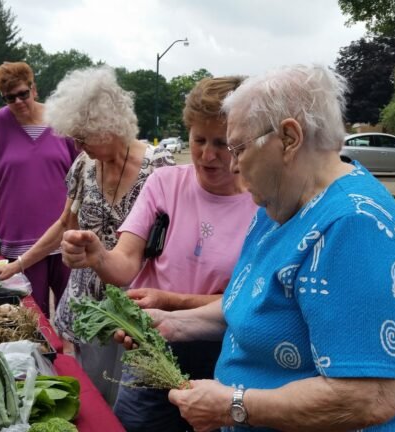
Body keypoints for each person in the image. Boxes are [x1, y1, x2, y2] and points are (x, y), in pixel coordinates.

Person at [114, 65, 395, 431]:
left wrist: (234, 406)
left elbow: (369, 396)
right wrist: (173, 324)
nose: (233, 165)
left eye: (238, 148)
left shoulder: (356, 227)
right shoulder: (279, 205)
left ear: (289, 138)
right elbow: (253, 304)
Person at [61, 76, 257, 431]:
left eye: (222, 143)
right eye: (198, 140)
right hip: (153, 345)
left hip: (224, 352)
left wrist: (171, 301)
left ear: (244, 140)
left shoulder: (263, 203)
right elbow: (125, 264)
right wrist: (98, 256)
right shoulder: (165, 183)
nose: (207, 155)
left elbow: (248, 302)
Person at [0, 65, 174, 404]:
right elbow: (64, 224)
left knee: (135, 403)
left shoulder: (159, 166)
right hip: (89, 309)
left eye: (83, 137)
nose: (77, 145)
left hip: (137, 309)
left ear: (110, 125)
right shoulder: (84, 166)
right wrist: (17, 265)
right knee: (95, 397)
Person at [0, 61, 78, 317]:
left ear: (33, 89)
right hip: (19, 240)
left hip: (64, 236)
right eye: (9, 98)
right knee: (32, 318)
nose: (18, 101)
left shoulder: (60, 121)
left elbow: (83, 171)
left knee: (73, 314)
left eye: (22, 94)